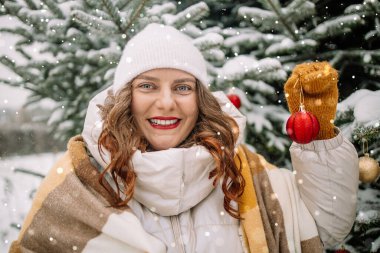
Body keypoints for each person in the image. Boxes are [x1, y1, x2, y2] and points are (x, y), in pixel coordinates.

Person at [10, 23, 359, 253]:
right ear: (124, 98)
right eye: (147, 86)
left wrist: (319, 140)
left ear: (200, 98)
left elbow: (327, 230)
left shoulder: (242, 173)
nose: (166, 102)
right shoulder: (81, 179)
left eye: (182, 87)